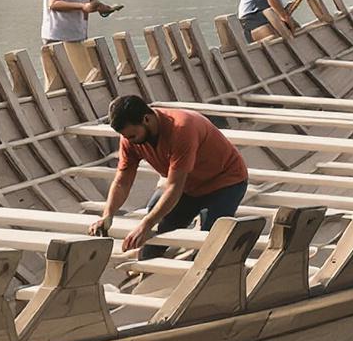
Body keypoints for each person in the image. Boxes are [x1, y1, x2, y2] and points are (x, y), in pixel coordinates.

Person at [87, 93, 251, 247]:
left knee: (209, 243)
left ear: (146, 119)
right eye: (126, 137)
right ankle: (148, 264)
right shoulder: (129, 138)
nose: (130, 141)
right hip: (189, 186)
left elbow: (174, 187)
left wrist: (146, 223)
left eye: (132, 136)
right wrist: (107, 215)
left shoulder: (181, 129)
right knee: (155, 235)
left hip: (225, 182)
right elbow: (123, 181)